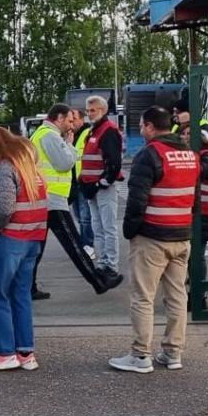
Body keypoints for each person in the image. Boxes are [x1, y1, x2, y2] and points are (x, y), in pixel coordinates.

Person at [109, 106, 200, 373]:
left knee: (143, 297)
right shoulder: (190, 155)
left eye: (141, 126)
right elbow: (193, 196)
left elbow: (137, 200)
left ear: (149, 127)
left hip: (152, 237)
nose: (140, 130)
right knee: (177, 297)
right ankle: (173, 353)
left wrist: (130, 231)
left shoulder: (149, 155)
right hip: (181, 236)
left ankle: (140, 356)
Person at [30, 104, 122, 297]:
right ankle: (98, 282)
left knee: (36, 247)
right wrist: (70, 146)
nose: (72, 125)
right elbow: (64, 164)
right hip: (52, 199)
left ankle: (29, 287)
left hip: (44, 198)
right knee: (74, 244)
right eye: (70, 121)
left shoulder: (42, 133)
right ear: (60, 118)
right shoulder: (50, 135)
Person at [0, 127, 48, 371]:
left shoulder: (5, 168)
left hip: (9, 238)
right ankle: (25, 352)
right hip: (32, 238)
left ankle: (5, 351)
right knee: (21, 295)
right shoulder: (29, 168)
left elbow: (5, 208)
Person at [79, 95, 123, 284]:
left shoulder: (108, 131)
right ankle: (104, 262)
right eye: (88, 111)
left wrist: (101, 183)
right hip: (93, 187)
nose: (89, 114)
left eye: (93, 110)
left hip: (102, 187)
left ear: (103, 111)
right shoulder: (94, 130)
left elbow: (114, 162)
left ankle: (111, 266)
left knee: (108, 227)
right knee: (98, 227)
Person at [183, 122, 208, 312]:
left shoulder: (207, 154)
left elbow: (202, 171)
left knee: (197, 256)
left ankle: (199, 295)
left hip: (203, 211)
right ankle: (193, 293)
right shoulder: (196, 154)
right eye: (184, 133)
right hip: (192, 210)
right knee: (190, 256)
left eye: (190, 133)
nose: (186, 136)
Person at [68, 109, 94, 254]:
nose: (72, 122)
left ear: (82, 119)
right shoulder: (70, 135)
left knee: (85, 217)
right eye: (70, 119)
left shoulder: (87, 134)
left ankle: (88, 245)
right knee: (78, 216)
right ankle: (84, 243)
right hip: (73, 182)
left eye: (74, 119)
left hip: (83, 181)